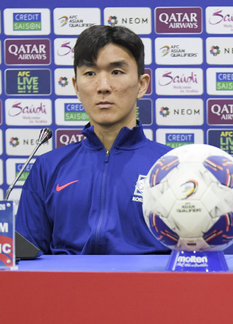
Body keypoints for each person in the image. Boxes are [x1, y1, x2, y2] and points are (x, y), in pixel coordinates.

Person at [16, 25, 172, 255]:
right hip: (67, 290)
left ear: (142, 85)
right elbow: (26, 262)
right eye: (90, 73)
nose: (103, 87)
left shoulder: (172, 166)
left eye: (116, 72)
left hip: (149, 290)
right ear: (76, 86)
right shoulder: (48, 168)